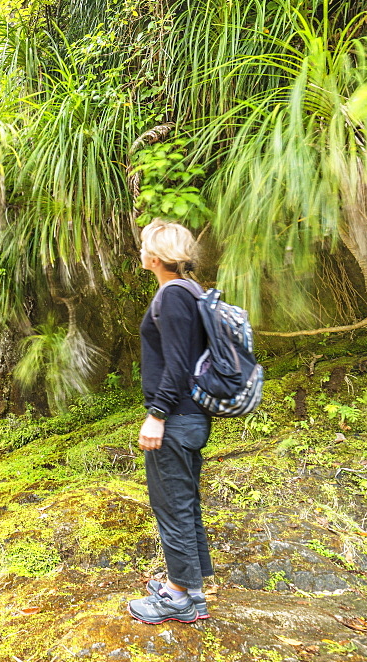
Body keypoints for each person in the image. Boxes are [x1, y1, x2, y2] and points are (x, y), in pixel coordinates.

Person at [127, 218, 212, 625]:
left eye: (144, 245)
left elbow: (178, 364)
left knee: (172, 507)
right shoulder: (190, 291)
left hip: (176, 419)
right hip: (190, 418)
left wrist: (157, 415)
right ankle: (190, 587)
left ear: (156, 256)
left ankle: (178, 596)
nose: (140, 250)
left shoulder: (174, 295)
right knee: (184, 504)